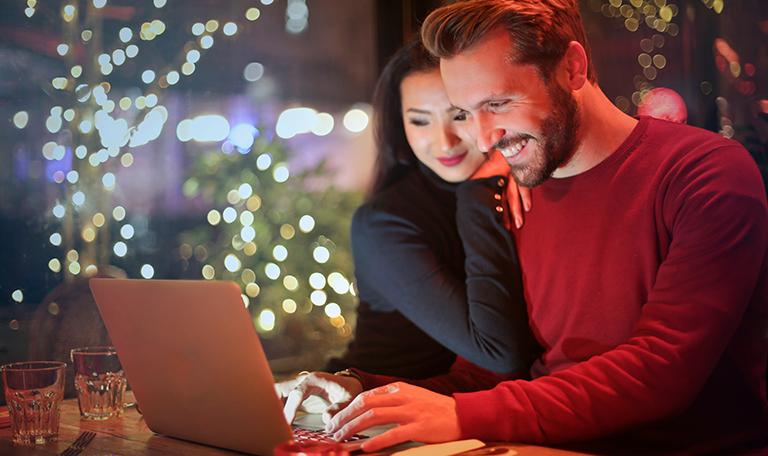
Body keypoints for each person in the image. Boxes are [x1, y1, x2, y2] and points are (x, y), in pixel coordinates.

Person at [290, 1, 768, 454]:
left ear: (572, 68)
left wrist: (462, 415)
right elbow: (487, 378)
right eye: (466, 110)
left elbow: (661, 369)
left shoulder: (704, 173)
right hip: (543, 444)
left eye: (497, 103)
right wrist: (363, 394)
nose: (481, 138)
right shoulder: (517, 190)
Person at [277, 40, 541, 421]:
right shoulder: (385, 223)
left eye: (458, 116)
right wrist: (480, 190)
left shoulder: (517, 187)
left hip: (446, 414)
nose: (443, 141)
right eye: (419, 120)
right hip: (359, 410)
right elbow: (500, 353)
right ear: (400, 125)